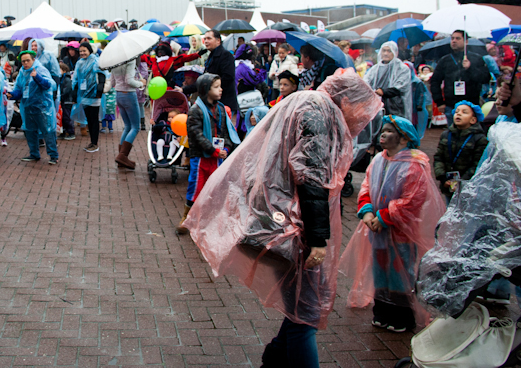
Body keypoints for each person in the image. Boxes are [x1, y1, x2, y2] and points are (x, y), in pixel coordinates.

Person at [183, 69, 383, 368]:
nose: (358, 115)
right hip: (290, 227)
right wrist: (317, 239)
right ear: (346, 99)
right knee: (306, 314)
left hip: (274, 220)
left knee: (299, 307)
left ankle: (274, 358)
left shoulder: (303, 102)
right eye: (357, 107)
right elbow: (312, 177)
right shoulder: (319, 112)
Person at [340, 116, 446, 333]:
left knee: (400, 272)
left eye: (389, 131)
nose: (383, 134)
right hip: (377, 230)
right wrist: (367, 212)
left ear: (404, 138)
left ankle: (401, 316)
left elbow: (414, 198)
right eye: (383, 131)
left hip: (401, 232)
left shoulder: (415, 164)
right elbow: (367, 186)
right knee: (380, 269)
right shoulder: (379, 159)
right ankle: (382, 311)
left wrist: (385, 217)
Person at [176, 73, 241, 235]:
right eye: (216, 87)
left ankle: (211, 219)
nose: (220, 90)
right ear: (205, 89)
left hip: (217, 157)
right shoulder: (196, 110)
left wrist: (226, 147)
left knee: (216, 188)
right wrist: (214, 151)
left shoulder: (220, 108)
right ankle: (187, 217)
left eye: (220, 86)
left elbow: (226, 130)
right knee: (195, 187)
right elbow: (196, 135)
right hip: (201, 157)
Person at [428, 31, 491, 126]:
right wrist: (439, 101)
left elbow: (485, 78)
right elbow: (435, 81)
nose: (454, 41)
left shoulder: (476, 59)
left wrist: (470, 68)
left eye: (458, 38)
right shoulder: (445, 60)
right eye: (452, 38)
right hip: (451, 105)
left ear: (466, 41)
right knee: (453, 134)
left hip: (471, 104)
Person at [7, 50, 59, 164]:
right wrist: (12, 95)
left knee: (48, 131)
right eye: (23, 61)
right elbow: (19, 89)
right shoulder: (22, 72)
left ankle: (53, 156)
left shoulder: (40, 70)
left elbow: (49, 85)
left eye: (27, 60)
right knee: (30, 131)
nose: (25, 63)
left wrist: (37, 77)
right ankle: (34, 154)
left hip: (42, 107)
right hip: (28, 107)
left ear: (33, 60)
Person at [433, 100, 488, 203]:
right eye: (457, 111)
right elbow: (438, 157)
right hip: (449, 185)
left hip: (469, 187)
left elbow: (477, 164)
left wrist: (462, 181)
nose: (458, 113)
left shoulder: (479, 139)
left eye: (464, 112)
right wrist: (443, 178)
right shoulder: (446, 135)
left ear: (473, 120)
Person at [179, 30, 238, 115]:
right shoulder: (211, 55)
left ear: (218, 40)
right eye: (205, 39)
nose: (206, 41)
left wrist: (210, 88)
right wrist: (184, 89)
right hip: (212, 103)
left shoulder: (225, 55)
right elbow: (203, 81)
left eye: (209, 38)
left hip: (224, 103)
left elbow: (227, 78)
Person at [363, 41, 412, 120]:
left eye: (389, 51)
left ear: (395, 52)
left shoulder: (402, 68)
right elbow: (366, 82)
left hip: (397, 107)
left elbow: (400, 87)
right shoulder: (375, 69)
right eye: (384, 50)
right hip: (377, 107)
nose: (386, 53)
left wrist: (383, 92)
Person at [71, 42, 106, 153]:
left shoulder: (95, 61)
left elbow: (102, 75)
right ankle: (92, 142)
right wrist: (75, 93)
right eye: (80, 51)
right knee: (88, 120)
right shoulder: (79, 63)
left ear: (89, 50)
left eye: (84, 50)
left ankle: (95, 143)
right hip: (84, 95)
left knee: (94, 119)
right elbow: (76, 79)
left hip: (94, 95)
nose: (82, 53)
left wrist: (99, 91)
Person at [110, 59, 144, 169]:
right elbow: (129, 81)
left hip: (119, 94)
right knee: (135, 127)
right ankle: (122, 156)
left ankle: (122, 158)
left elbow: (112, 82)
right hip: (128, 94)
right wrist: (140, 83)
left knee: (128, 126)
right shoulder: (130, 59)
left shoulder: (115, 60)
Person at [59, 62, 76, 141]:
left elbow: (67, 90)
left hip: (66, 101)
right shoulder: (62, 79)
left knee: (66, 117)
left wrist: (61, 96)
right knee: (63, 117)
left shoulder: (67, 79)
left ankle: (71, 132)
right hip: (63, 100)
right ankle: (64, 131)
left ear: (64, 70)